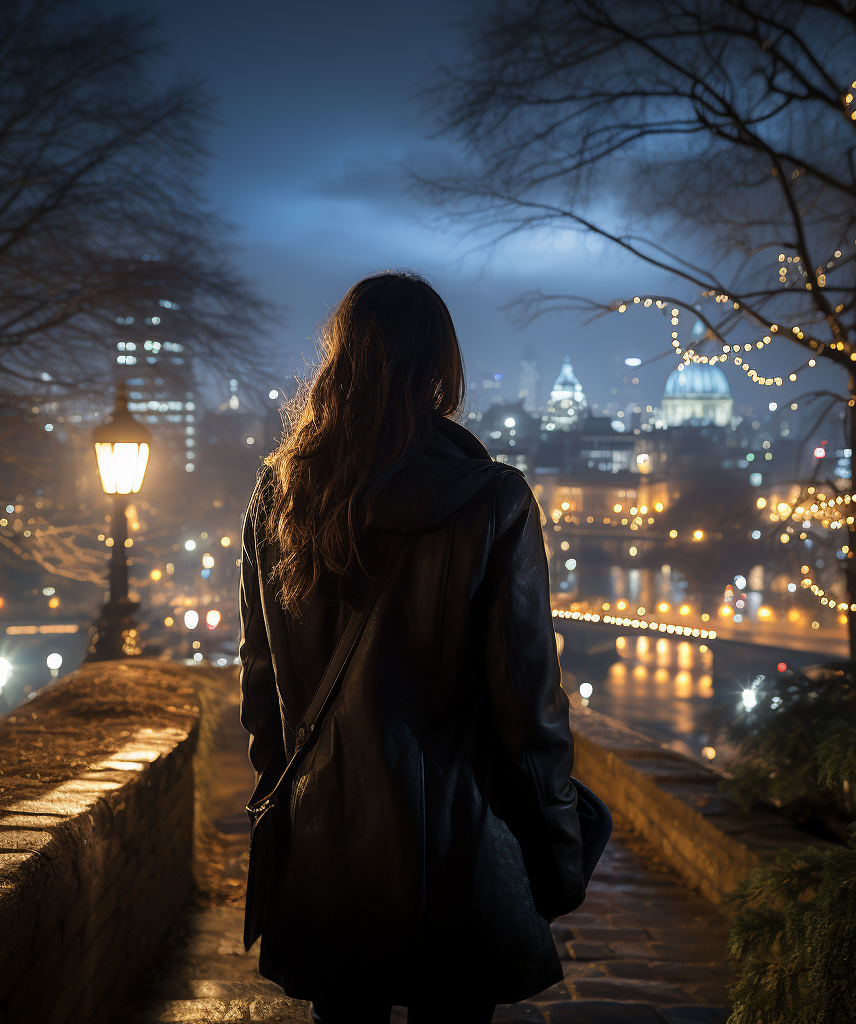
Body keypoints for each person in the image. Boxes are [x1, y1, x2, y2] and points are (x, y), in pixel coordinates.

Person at [239, 271, 585, 1024]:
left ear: (340, 361)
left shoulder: (279, 495)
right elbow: (529, 711)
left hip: (330, 840)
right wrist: (559, 850)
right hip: (460, 848)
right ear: (443, 369)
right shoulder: (494, 500)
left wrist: (290, 815)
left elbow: (263, 696)